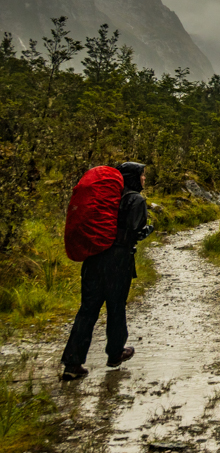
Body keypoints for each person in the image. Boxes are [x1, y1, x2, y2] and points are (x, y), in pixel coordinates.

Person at [60, 161, 154, 380]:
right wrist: (147, 230)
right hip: (119, 260)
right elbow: (135, 230)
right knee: (116, 306)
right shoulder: (136, 199)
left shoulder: (107, 198)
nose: (144, 179)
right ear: (133, 177)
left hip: (94, 257)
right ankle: (115, 354)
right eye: (142, 175)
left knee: (88, 310)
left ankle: (72, 363)